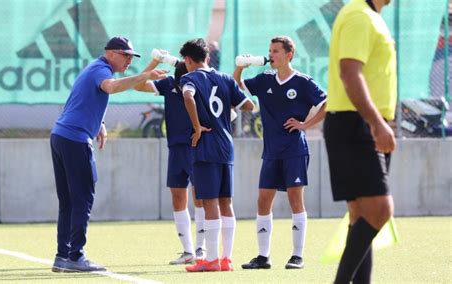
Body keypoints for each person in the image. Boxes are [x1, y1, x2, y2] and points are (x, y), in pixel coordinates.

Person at [50, 36, 167, 272]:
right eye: (125, 56)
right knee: (82, 198)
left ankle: (63, 256)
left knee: (69, 202)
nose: (128, 61)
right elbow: (110, 88)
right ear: (111, 53)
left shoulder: (94, 68)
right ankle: (75, 256)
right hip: (75, 139)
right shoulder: (101, 70)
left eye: (131, 58)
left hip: (60, 136)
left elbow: (82, 99)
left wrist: (100, 122)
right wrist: (144, 76)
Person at [234, 36, 327, 270]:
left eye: (275, 51)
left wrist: (306, 125)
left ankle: (297, 256)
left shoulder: (303, 82)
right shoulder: (265, 79)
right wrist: (240, 67)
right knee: (263, 200)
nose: (271, 55)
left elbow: (328, 102)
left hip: (295, 150)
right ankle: (263, 257)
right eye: (269, 50)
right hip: (271, 152)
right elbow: (239, 86)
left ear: (289, 55)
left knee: (296, 200)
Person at [324, 0, 397, 283]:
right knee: (380, 209)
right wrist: (377, 123)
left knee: (360, 216)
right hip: (357, 124)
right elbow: (349, 72)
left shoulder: (368, 15)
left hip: (356, 123)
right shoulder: (359, 16)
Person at [179, 38, 254, 272]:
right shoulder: (225, 79)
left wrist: (198, 126)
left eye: (186, 62)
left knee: (209, 202)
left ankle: (211, 259)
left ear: (189, 61)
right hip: (226, 145)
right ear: (208, 58)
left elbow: (188, 96)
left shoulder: (188, 78)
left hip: (206, 145)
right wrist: (227, 107)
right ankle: (226, 259)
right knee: (226, 202)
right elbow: (249, 106)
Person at [134, 55, 206, 264]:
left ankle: (202, 248)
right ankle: (188, 251)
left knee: (201, 197)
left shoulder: (201, 84)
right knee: (177, 195)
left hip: (197, 146)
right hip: (175, 148)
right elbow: (138, 86)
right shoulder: (169, 84)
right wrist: (154, 62)